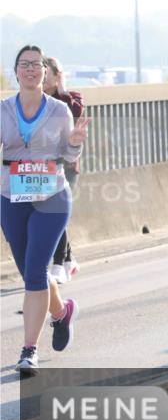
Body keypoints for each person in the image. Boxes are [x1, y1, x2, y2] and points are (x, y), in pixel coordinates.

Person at [3, 45, 90, 376]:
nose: (30, 69)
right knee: (30, 272)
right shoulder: (3, 110)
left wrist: (77, 141)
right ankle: (62, 311)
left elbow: (68, 158)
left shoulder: (58, 111)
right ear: (16, 72)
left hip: (51, 196)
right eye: (24, 64)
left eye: (36, 65)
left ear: (44, 71)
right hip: (11, 196)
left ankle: (28, 350)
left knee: (37, 272)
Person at [41, 56, 84, 283]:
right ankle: (68, 259)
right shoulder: (34, 100)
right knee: (50, 211)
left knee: (55, 209)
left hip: (66, 165)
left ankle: (59, 265)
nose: (42, 76)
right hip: (42, 166)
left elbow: (76, 114)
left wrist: (62, 89)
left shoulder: (71, 98)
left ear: (57, 74)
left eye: (46, 72)